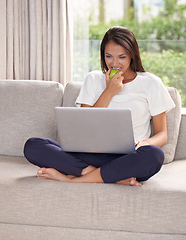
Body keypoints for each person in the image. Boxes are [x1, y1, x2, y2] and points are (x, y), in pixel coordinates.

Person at [23, 26, 175, 186]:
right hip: (90, 154)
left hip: (128, 157)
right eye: (109, 56)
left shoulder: (150, 83)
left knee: (154, 155)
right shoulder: (93, 79)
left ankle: (73, 179)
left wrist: (145, 143)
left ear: (132, 55)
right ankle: (109, 176)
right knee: (33, 145)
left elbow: (162, 134)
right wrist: (108, 92)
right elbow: (83, 125)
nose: (114, 63)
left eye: (122, 57)